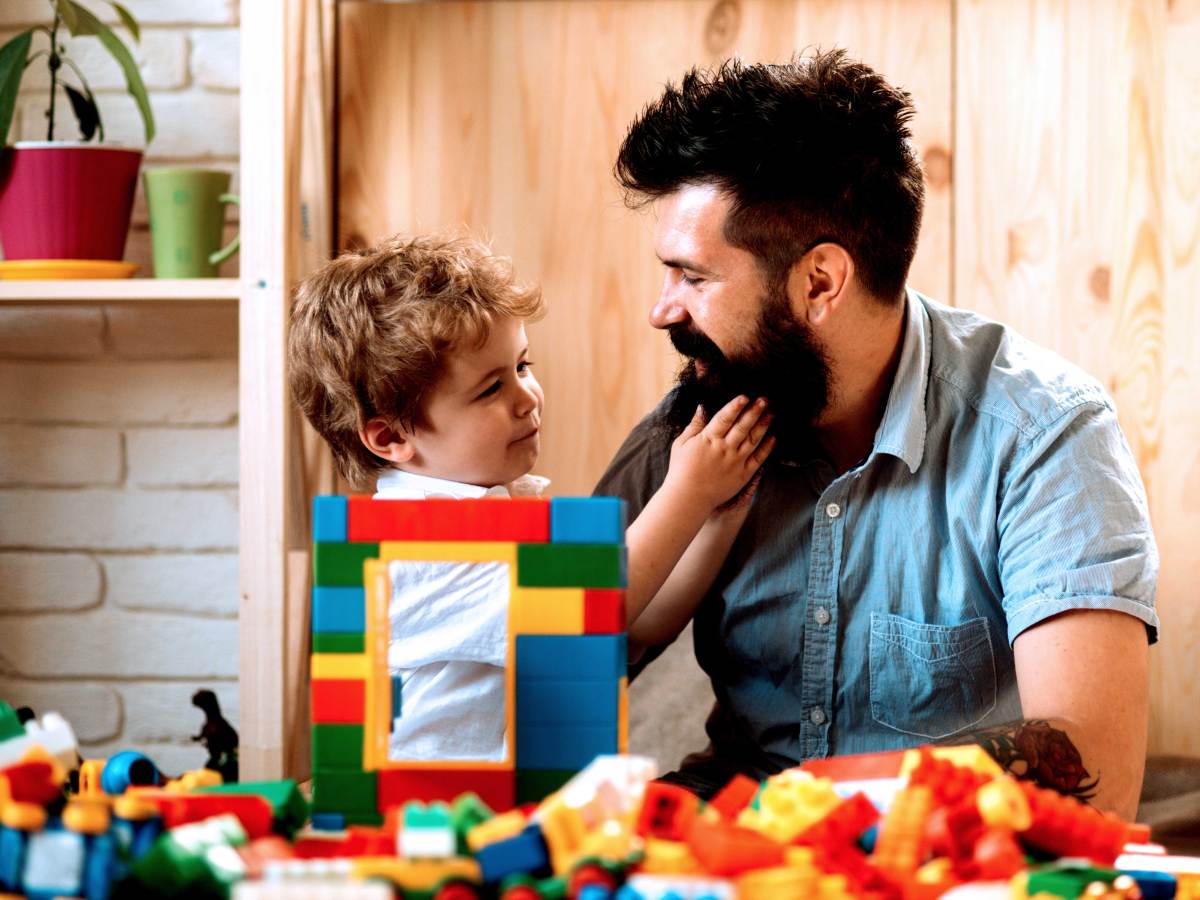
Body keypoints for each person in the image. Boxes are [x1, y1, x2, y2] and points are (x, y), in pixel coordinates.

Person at [595, 50, 1158, 818]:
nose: (662, 310)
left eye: (692, 276)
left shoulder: (1043, 435)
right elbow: (554, 666)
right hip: (712, 842)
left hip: (934, 858)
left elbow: (1093, 770)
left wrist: (802, 808)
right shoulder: (697, 427)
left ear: (819, 283)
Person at [287, 233, 773, 760]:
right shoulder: (416, 545)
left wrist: (721, 511)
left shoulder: (497, 508)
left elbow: (643, 621)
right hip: (428, 814)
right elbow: (592, 607)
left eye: (522, 366)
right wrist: (689, 490)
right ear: (391, 437)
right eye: (490, 389)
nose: (528, 399)